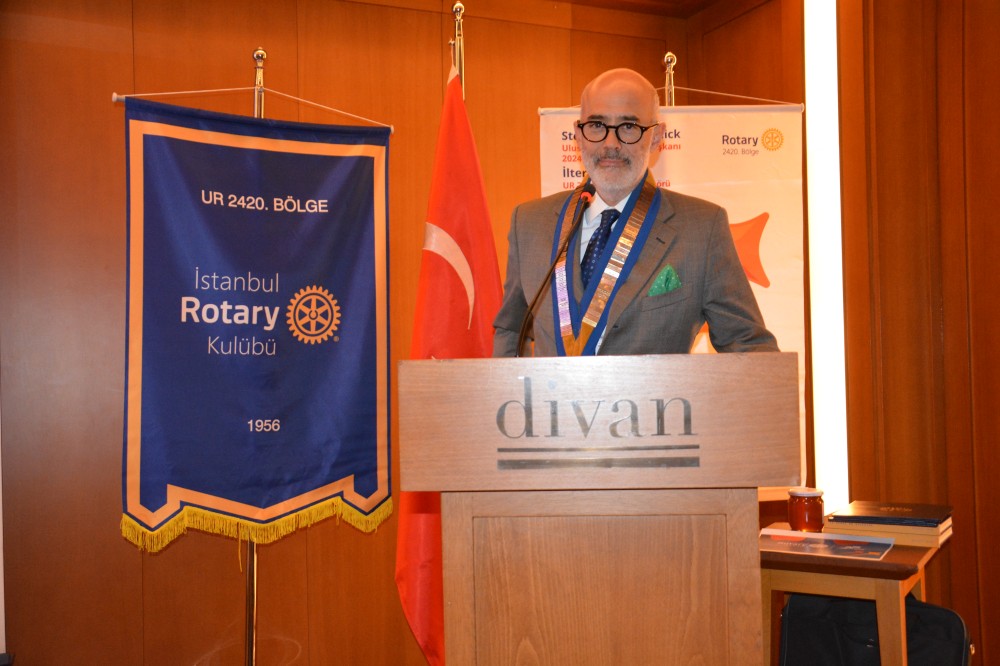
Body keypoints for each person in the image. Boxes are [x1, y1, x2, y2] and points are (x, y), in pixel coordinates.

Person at [492, 68, 778, 357]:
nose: (610, 144)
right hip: (551, 390)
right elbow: (511, 331)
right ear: (578, 135)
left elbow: (750, 347)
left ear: (656, 137)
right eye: (597, 125)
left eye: (628, 127)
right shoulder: (528, 224)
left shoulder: (702, 229)